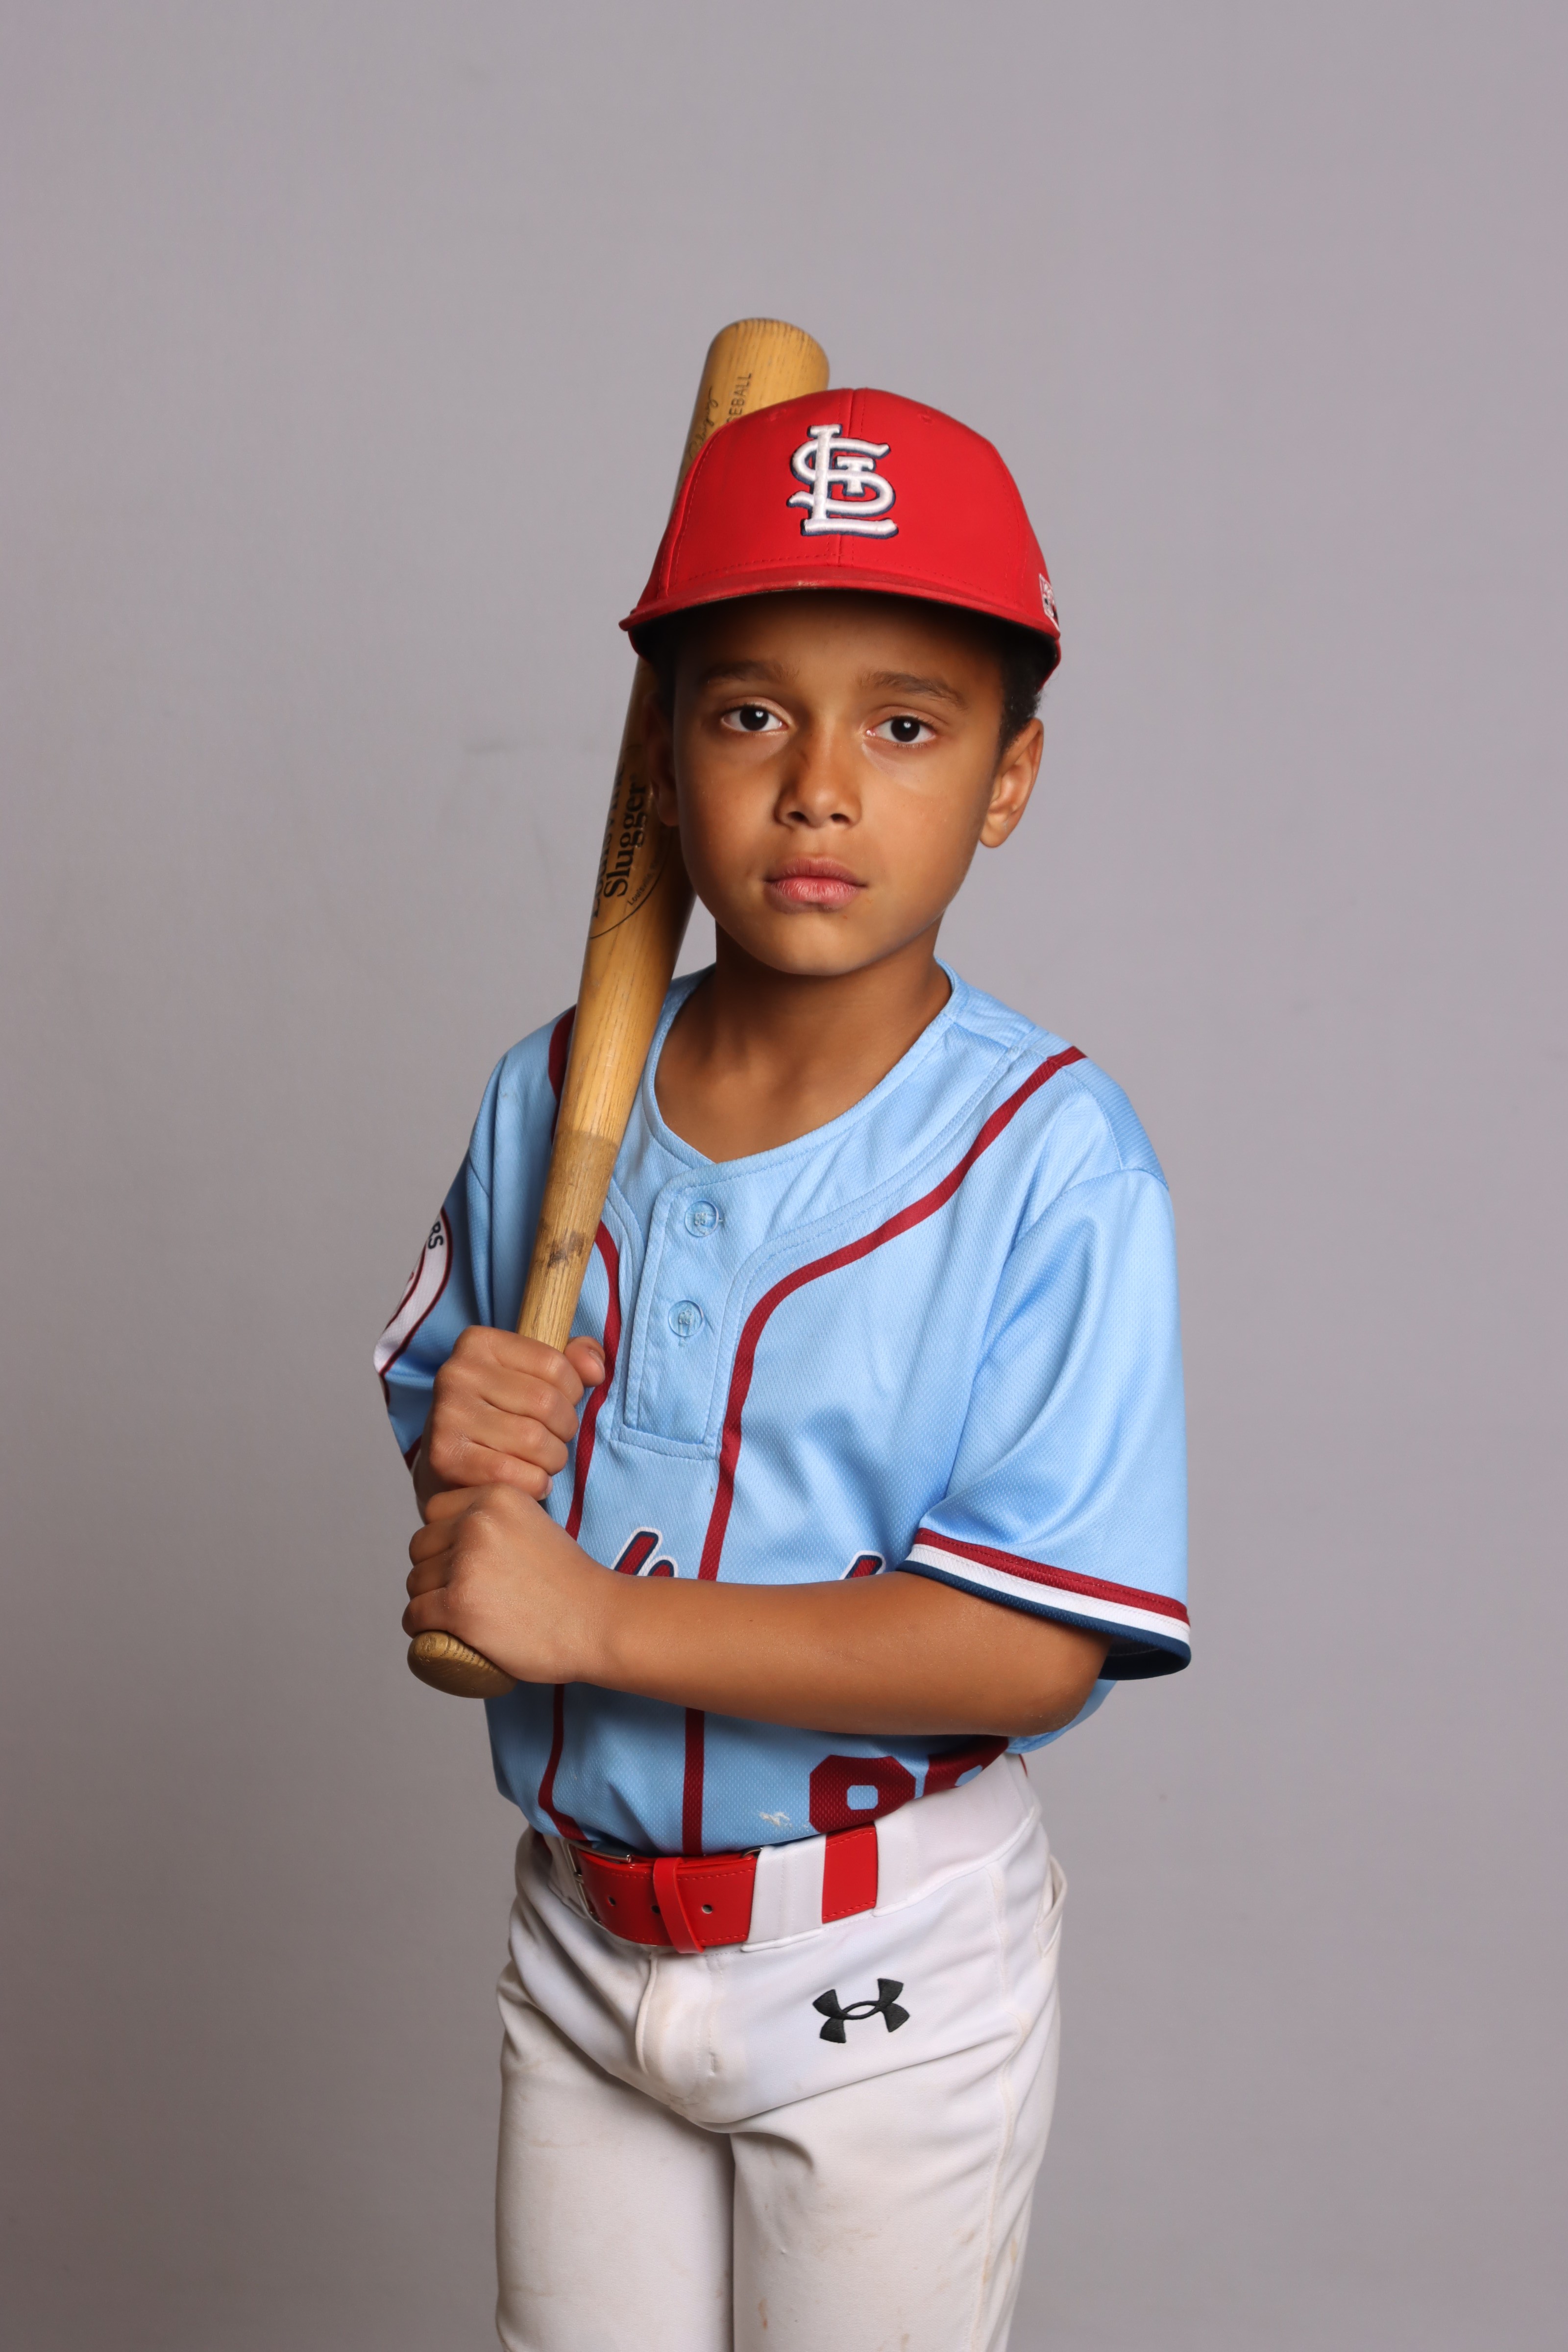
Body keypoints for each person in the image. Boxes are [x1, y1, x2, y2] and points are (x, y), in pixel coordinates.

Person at [377, 387, 1188, 2352]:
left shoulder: (1054, 1162)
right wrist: (466, 1456)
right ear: (660, 759)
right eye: (749, 714)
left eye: (904, 726)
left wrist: (589, 1619)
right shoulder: (548, 1092)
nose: (819, 789)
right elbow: (480, 1515)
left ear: (1007, 775)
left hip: (883, 1953)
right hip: (583, 1924)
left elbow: (1029, 1649)